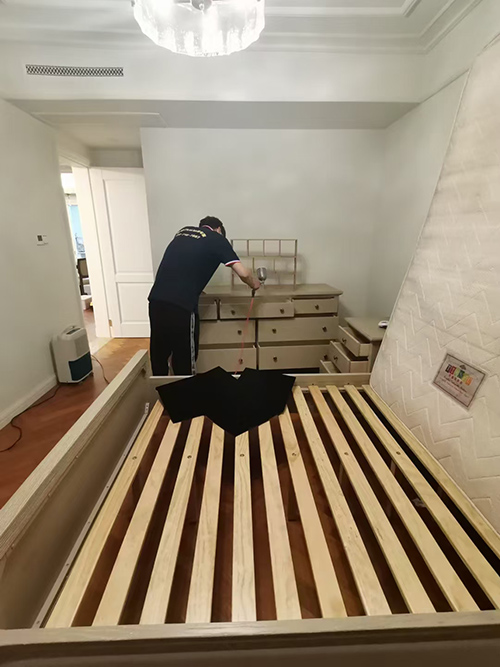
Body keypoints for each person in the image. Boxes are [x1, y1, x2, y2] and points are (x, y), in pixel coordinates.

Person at [148, 216, 261, 375]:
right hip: (181, 306)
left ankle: (159, 390)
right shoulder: (217, 239)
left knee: (159, 355)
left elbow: (183, 265)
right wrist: (254, 284)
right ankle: (186, 390)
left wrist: (197, 288)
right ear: (219, 229)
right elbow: (243, 273)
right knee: (184, 360)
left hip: (156, 300)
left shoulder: (183, 232)